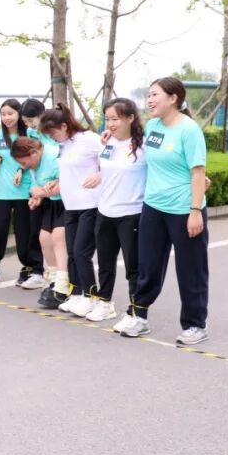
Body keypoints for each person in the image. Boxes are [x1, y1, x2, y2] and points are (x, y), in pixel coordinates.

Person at [118, 77, 210, 345]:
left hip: (184, 209)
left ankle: (195, 324)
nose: (149, 100)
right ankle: (139, 316)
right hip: (153, 207)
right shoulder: (153, 126)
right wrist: (109, 137)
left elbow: (198, 172)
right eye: (148, 95)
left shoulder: (189, 130)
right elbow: (137, 147)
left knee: (191, 269)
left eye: (154, 95)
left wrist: (195, 211)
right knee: (147, 266)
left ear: (173, 98)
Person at [38, 104, 103, 318]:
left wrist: (100, 175)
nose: (51, 137)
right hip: (71, 206)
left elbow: (113, 159)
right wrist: (57, 182)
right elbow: (72, 170)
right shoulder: (64, 145)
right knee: (72, 253)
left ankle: (91, 296)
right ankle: (76, 293)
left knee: (81, 253)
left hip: (90, 205)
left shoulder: (89, 139)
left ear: (64, 126)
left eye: (52, 132)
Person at [89, 98, 147, 323]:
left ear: (131, 118)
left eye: (115, 119)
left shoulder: (143, 146)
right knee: (105, 263)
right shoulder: (107, 143)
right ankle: (105, 303)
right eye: (107, 119)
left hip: (131, 213)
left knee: (133, 267)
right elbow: (106, 171)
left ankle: (135, 310)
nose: (110, 124)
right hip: (105, 212)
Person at [0, 99, 44, 286]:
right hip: (1, 194)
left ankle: (29, 268)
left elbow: (38, 156)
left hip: (25, 192)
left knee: (25, 233)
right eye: (3, 114)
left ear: (19, 114)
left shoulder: (29, 134)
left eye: (10, 113)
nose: (7, 117)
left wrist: (21, 169)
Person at [10, 136, 69, 308]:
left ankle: (63, 282)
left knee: (58, 237)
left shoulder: (55, 157)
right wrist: (37, 197)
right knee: (44, 238)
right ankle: (53, 278)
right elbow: (37, 186)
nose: (25, 166)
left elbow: (67, 182)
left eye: (24, 162)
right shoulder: (34, 164)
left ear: (34, 153)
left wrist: (43, 192)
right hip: (52, 203)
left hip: (67, 202)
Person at [17, 98, 50, 290]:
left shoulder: (52, 132)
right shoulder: (30, 133)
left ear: (42, 115)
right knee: (35, 231)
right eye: (26, 122)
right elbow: (31, 164)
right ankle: (38, 272)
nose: (29, 125)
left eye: (31, 120)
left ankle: (56, 274)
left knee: (54, 236)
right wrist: (35, 189)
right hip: (37, 188)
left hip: (54, 190)